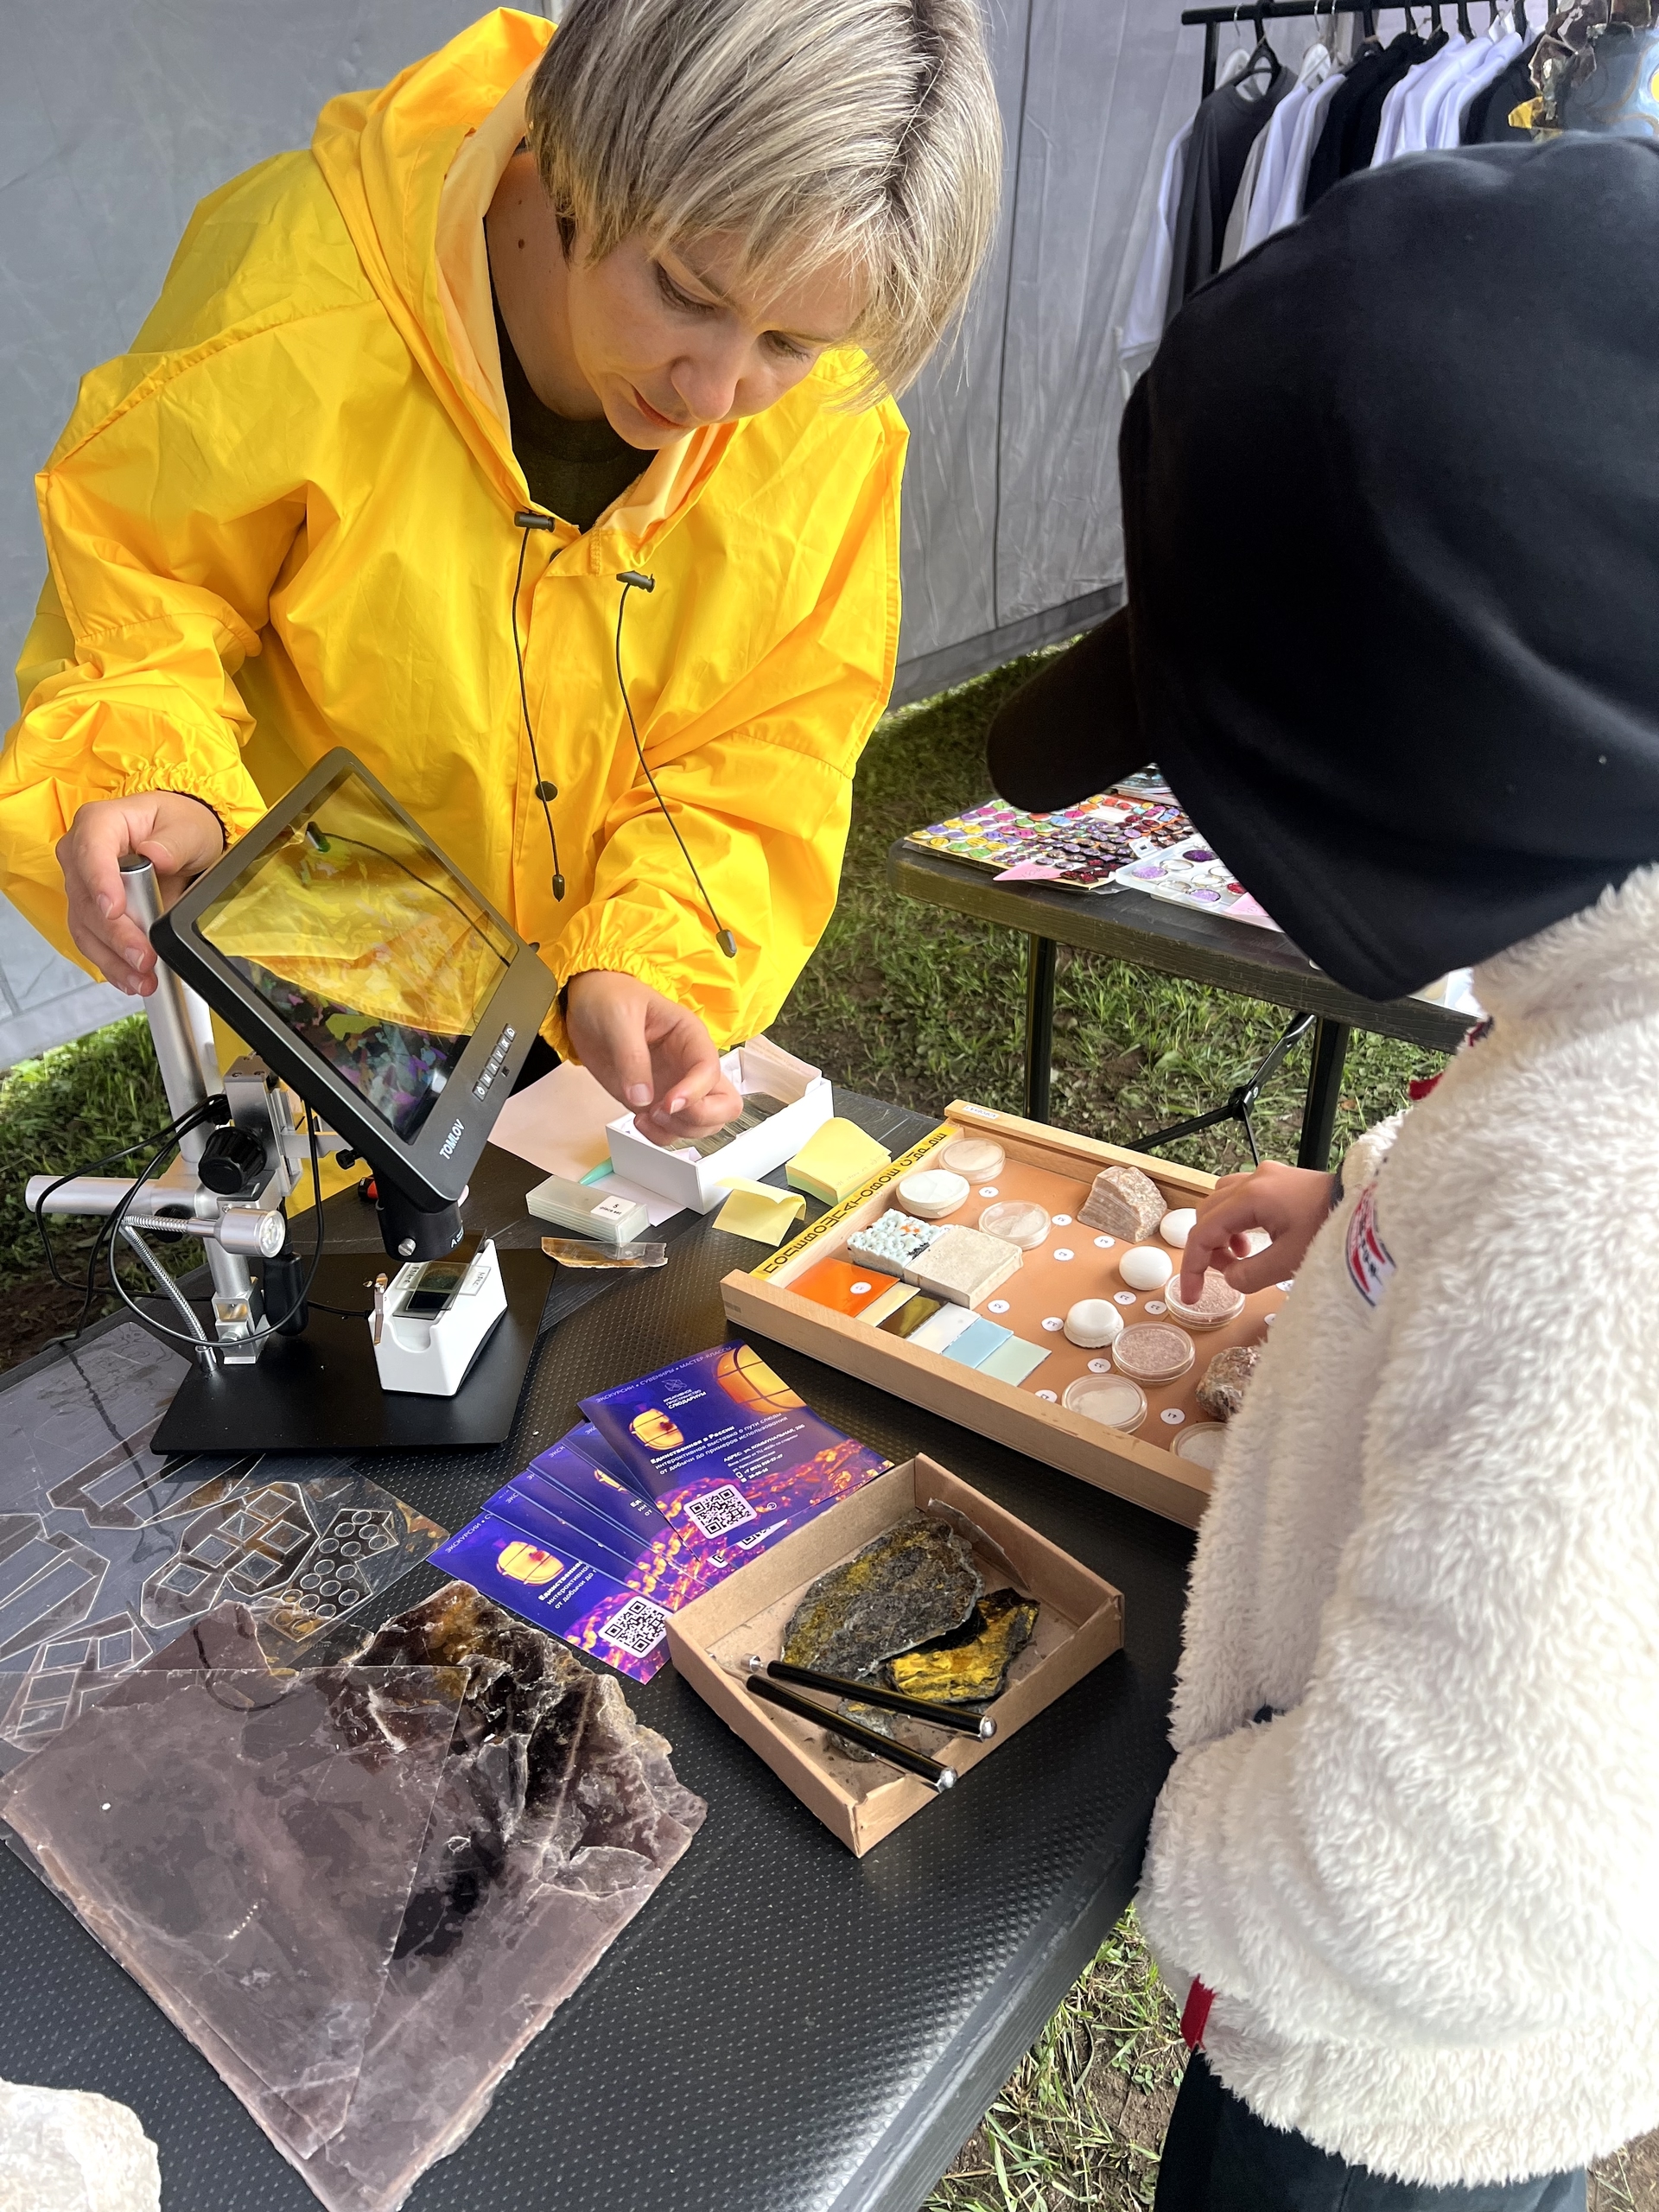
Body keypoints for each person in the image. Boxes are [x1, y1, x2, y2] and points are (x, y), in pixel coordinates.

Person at [985, 124, 1659, 2212]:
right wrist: (1375, 1210)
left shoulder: (1609, 1206)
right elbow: (1536, 1126)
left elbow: (1458, 1877)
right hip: (1407, 2025)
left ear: (1415, 774)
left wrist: (1164, 1831)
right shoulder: (1598, 1035)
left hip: (1391, 2095)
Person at [0, 0, 999, 1144]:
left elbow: (766, 744)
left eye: (789, 345)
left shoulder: (829, 423)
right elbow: (139, 591)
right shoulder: (302, 292)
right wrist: (163, 779)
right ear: (583, 154)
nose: (715, 394)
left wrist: (642, 953)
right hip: (336, 1027)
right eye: (686, 292)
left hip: (599, 1068)